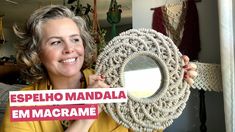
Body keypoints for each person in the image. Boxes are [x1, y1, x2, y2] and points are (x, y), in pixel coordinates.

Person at [0, 5, 197, 132]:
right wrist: (87, 115)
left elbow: (150, 123)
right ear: (37, 52)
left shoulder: (115, 82)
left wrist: (172, 82)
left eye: (75, 40)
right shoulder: (22, 105)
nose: (70, 49)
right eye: (55, 42)